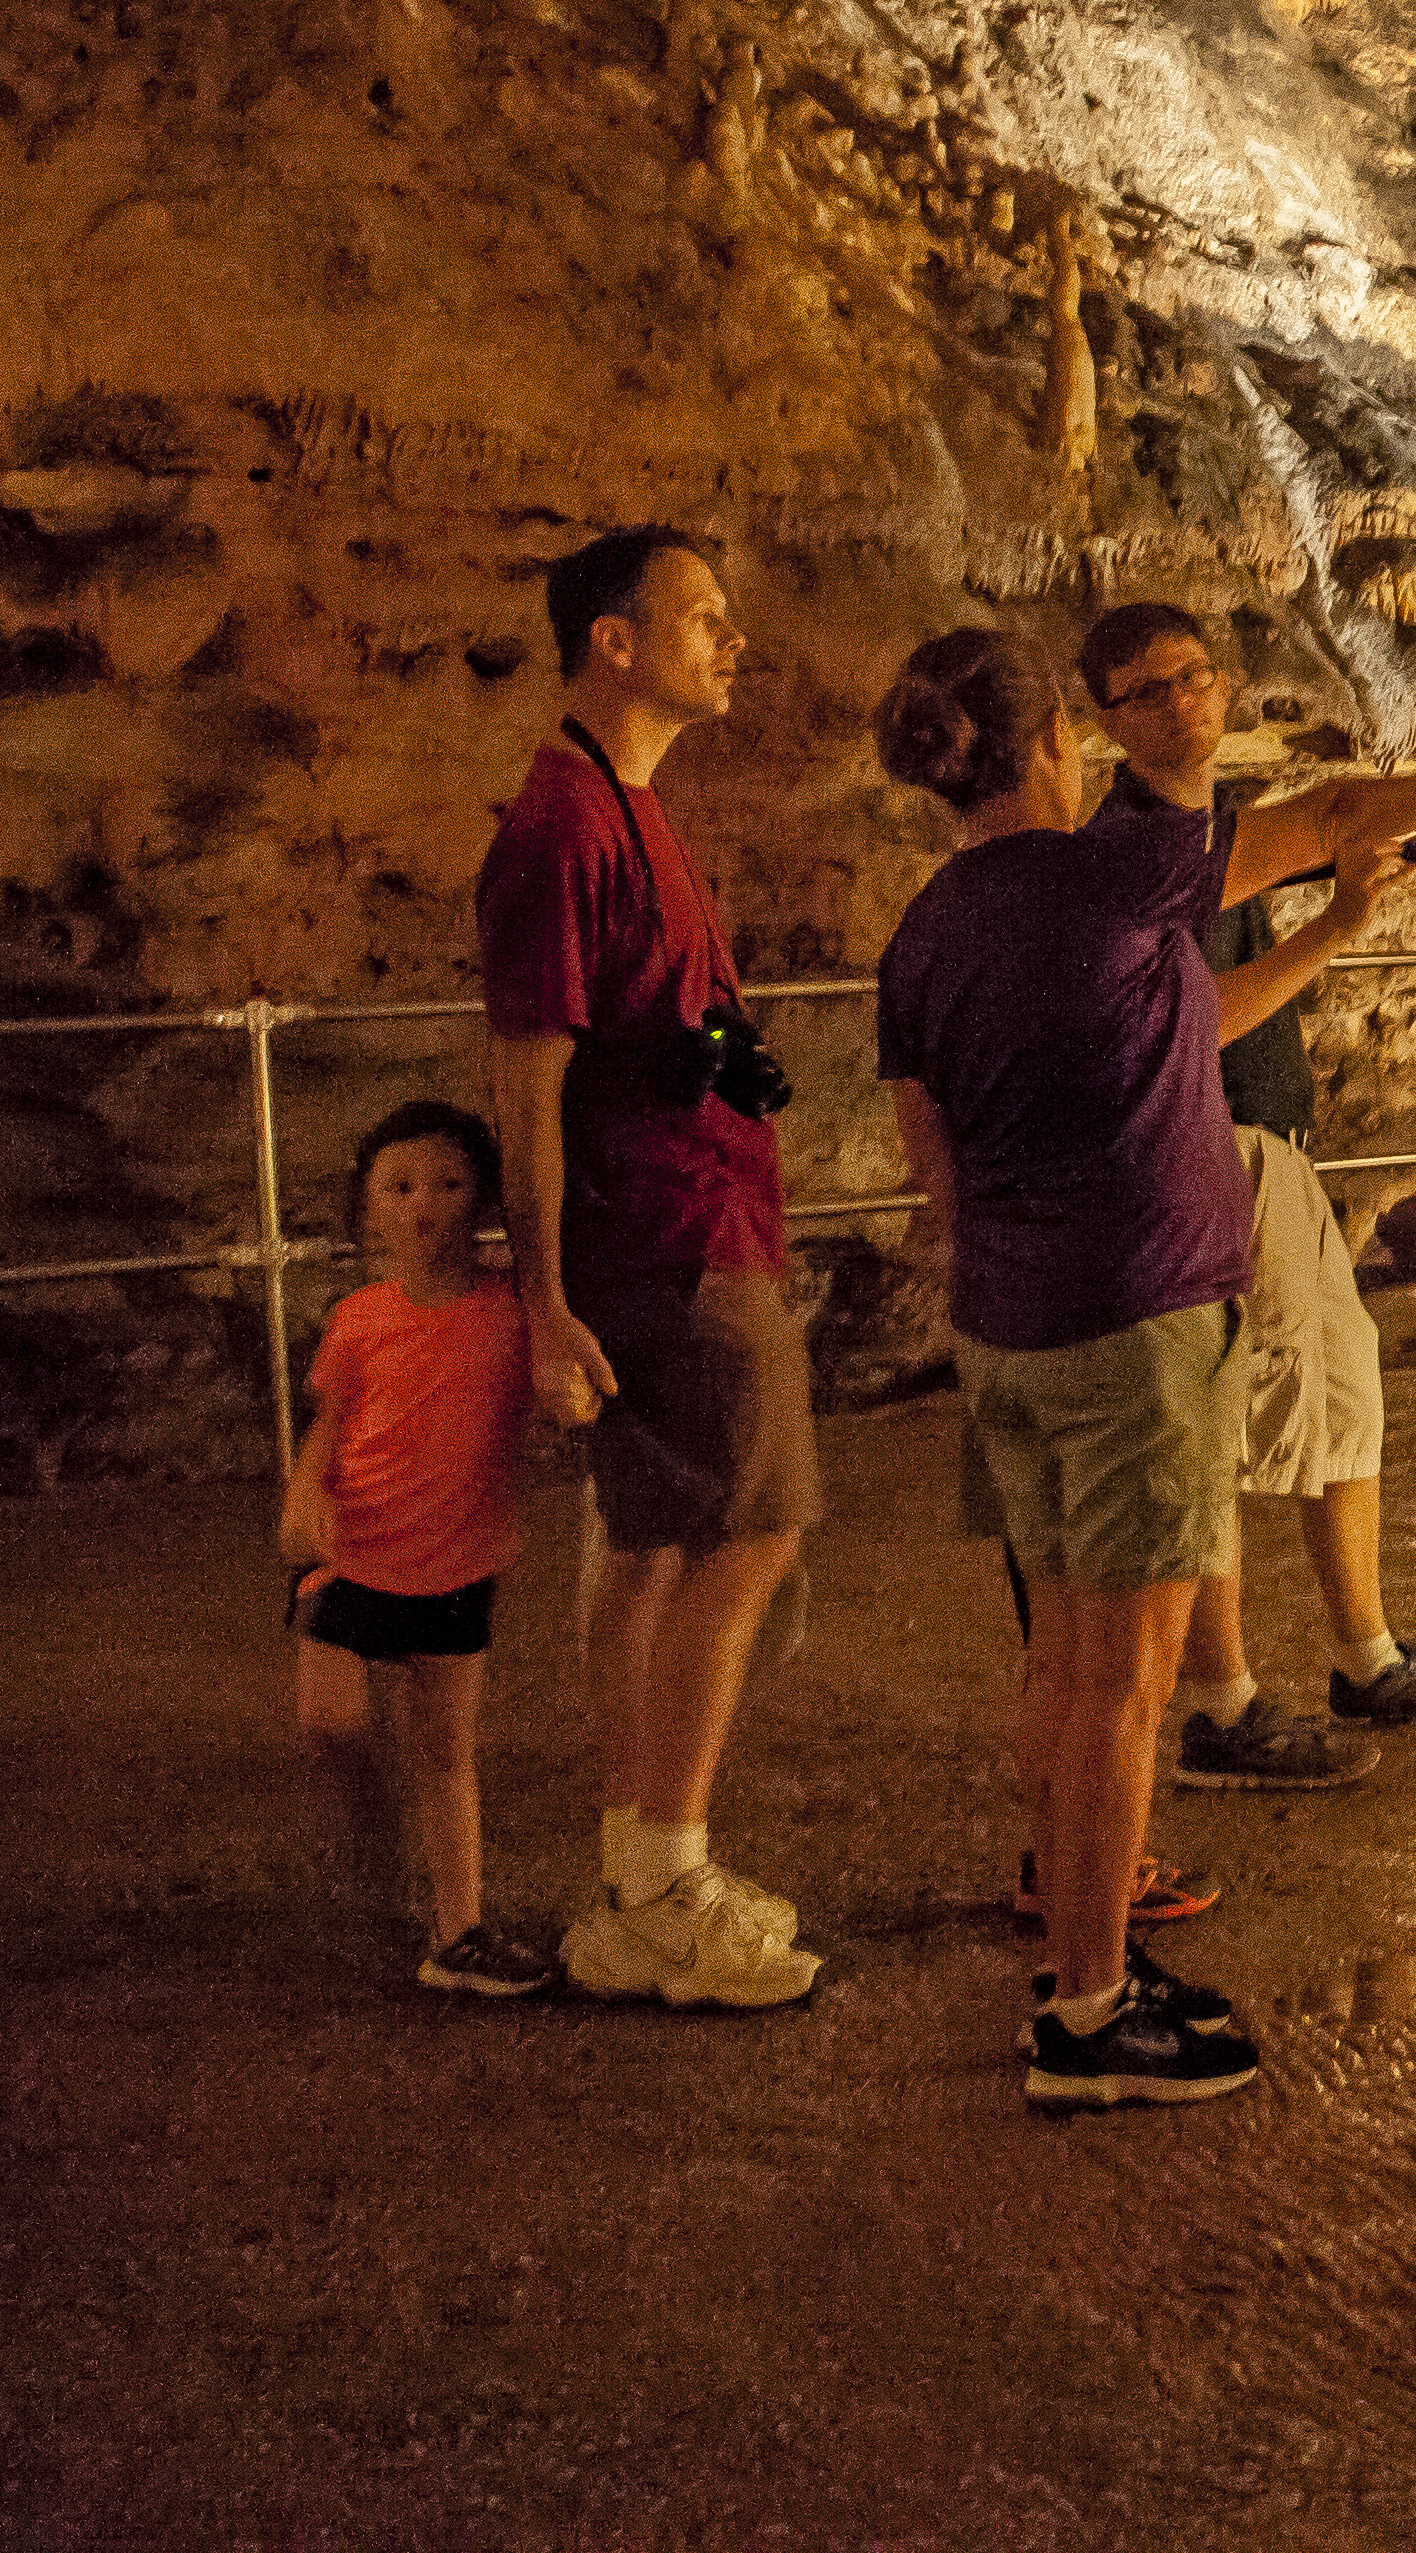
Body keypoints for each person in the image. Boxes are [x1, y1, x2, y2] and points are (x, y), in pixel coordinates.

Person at [875, 628, 1416, 2107]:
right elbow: (1329, 815)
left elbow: (934, 1159)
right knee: (1128, 1685)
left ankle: (1084, 1958)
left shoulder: (924, 931)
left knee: (1065, 1666)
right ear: (1056, 742)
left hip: (1009, 1331)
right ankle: (1090, 2012)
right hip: (1132, 1329)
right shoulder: (1113, 876)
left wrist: (1335, 928)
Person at [1074, 602, 1416, 1790]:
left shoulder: (1211, 828)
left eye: (1194, 676)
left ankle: (1364, 1652)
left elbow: (1339, 813)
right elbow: (1200, 1020)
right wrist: (1347, 916)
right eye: (1147, 690)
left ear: (1226, 684)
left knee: (1340, 1391)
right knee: (1234, 1427)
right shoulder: (1134, 847)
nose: (1181, 702)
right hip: (1212, 1152)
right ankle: (1222, 1704)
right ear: (1104, 721)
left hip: (1274, 1150)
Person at [475, 524, 822, 2012]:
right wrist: (543, 1298)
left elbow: (649, 1018)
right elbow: (526, 1074)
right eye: (702, 615)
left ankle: (638, 1878)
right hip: (665, 1239)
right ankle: (666, 1880)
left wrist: (729, 1058)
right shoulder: (564, 822)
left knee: (653, 1546)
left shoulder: (629, 805)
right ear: (612, 643)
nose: (733, 639)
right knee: (752, 1530)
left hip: (686, 1214)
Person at [282, 1099, 556, 1999]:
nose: (423, 1205)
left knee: (443, 1750)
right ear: (368, 1205)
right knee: (330, 1722)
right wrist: (304, 1491)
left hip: (456, 1558)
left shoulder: (516, 1309)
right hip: (353, 1544)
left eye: (447, 1183)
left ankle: (459, 1931)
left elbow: (555, 1384)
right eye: (398, 1187)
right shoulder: (361, 1316)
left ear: (485, 1198)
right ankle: (373, 1840)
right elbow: (332, 1423)